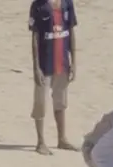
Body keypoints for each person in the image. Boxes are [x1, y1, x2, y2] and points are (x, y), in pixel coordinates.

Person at [28, 0, 78, 155]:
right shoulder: (38, 5)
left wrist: (74, 62)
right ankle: (40, 141)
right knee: (40, 102)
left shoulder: (67, 3)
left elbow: (71, 32)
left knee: (61, 102)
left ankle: (62, 138)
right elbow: (35, 38)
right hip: (45, 64)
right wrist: (36, 67)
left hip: (62, 62)